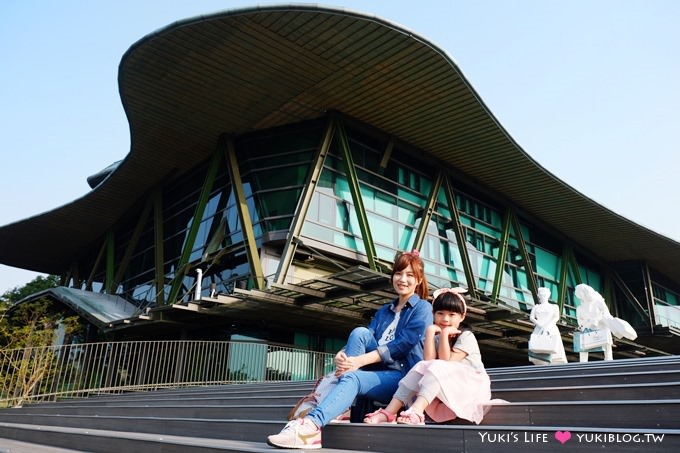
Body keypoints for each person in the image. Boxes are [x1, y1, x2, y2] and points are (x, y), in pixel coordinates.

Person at [266, 250, 433, 449]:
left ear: (419, 279)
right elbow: (367, 336)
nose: (402, 279)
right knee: (360, 332)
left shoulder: (422, 308)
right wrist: (342, 354)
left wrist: (359, 362)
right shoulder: (384, 311)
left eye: (410, 275)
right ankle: (339, 405)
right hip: (375, 371)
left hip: (401, 377)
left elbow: (403, 344)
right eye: (398, 273)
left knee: (352, 377)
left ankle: (311, 426)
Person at [362, 287, 492, 425]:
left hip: (471, 387)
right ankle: (389, 412)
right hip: (449, 384)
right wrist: (430, 332)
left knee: (438, 366)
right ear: (433, 314)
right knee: (421, 365)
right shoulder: (437, 336)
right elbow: (428, 362)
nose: (445, 319)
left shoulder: (467, 336)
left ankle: (417, 411)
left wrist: (443, 334)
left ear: (462, 316)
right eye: (440, 313)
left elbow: (445, 362)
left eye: (452, 314)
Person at [528, 287, 567, 365]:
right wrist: (540, 325)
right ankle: (541, 362)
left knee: (553, 348)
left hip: (551, 328)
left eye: (545, 294)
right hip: (539, 329)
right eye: (541, 295)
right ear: (539, 296)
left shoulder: (554, 306)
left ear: (548, 295)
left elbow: (556, 317)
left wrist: (547, 326)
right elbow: (531, 318)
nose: (543, 296)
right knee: (538, 347)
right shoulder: (536, 307)